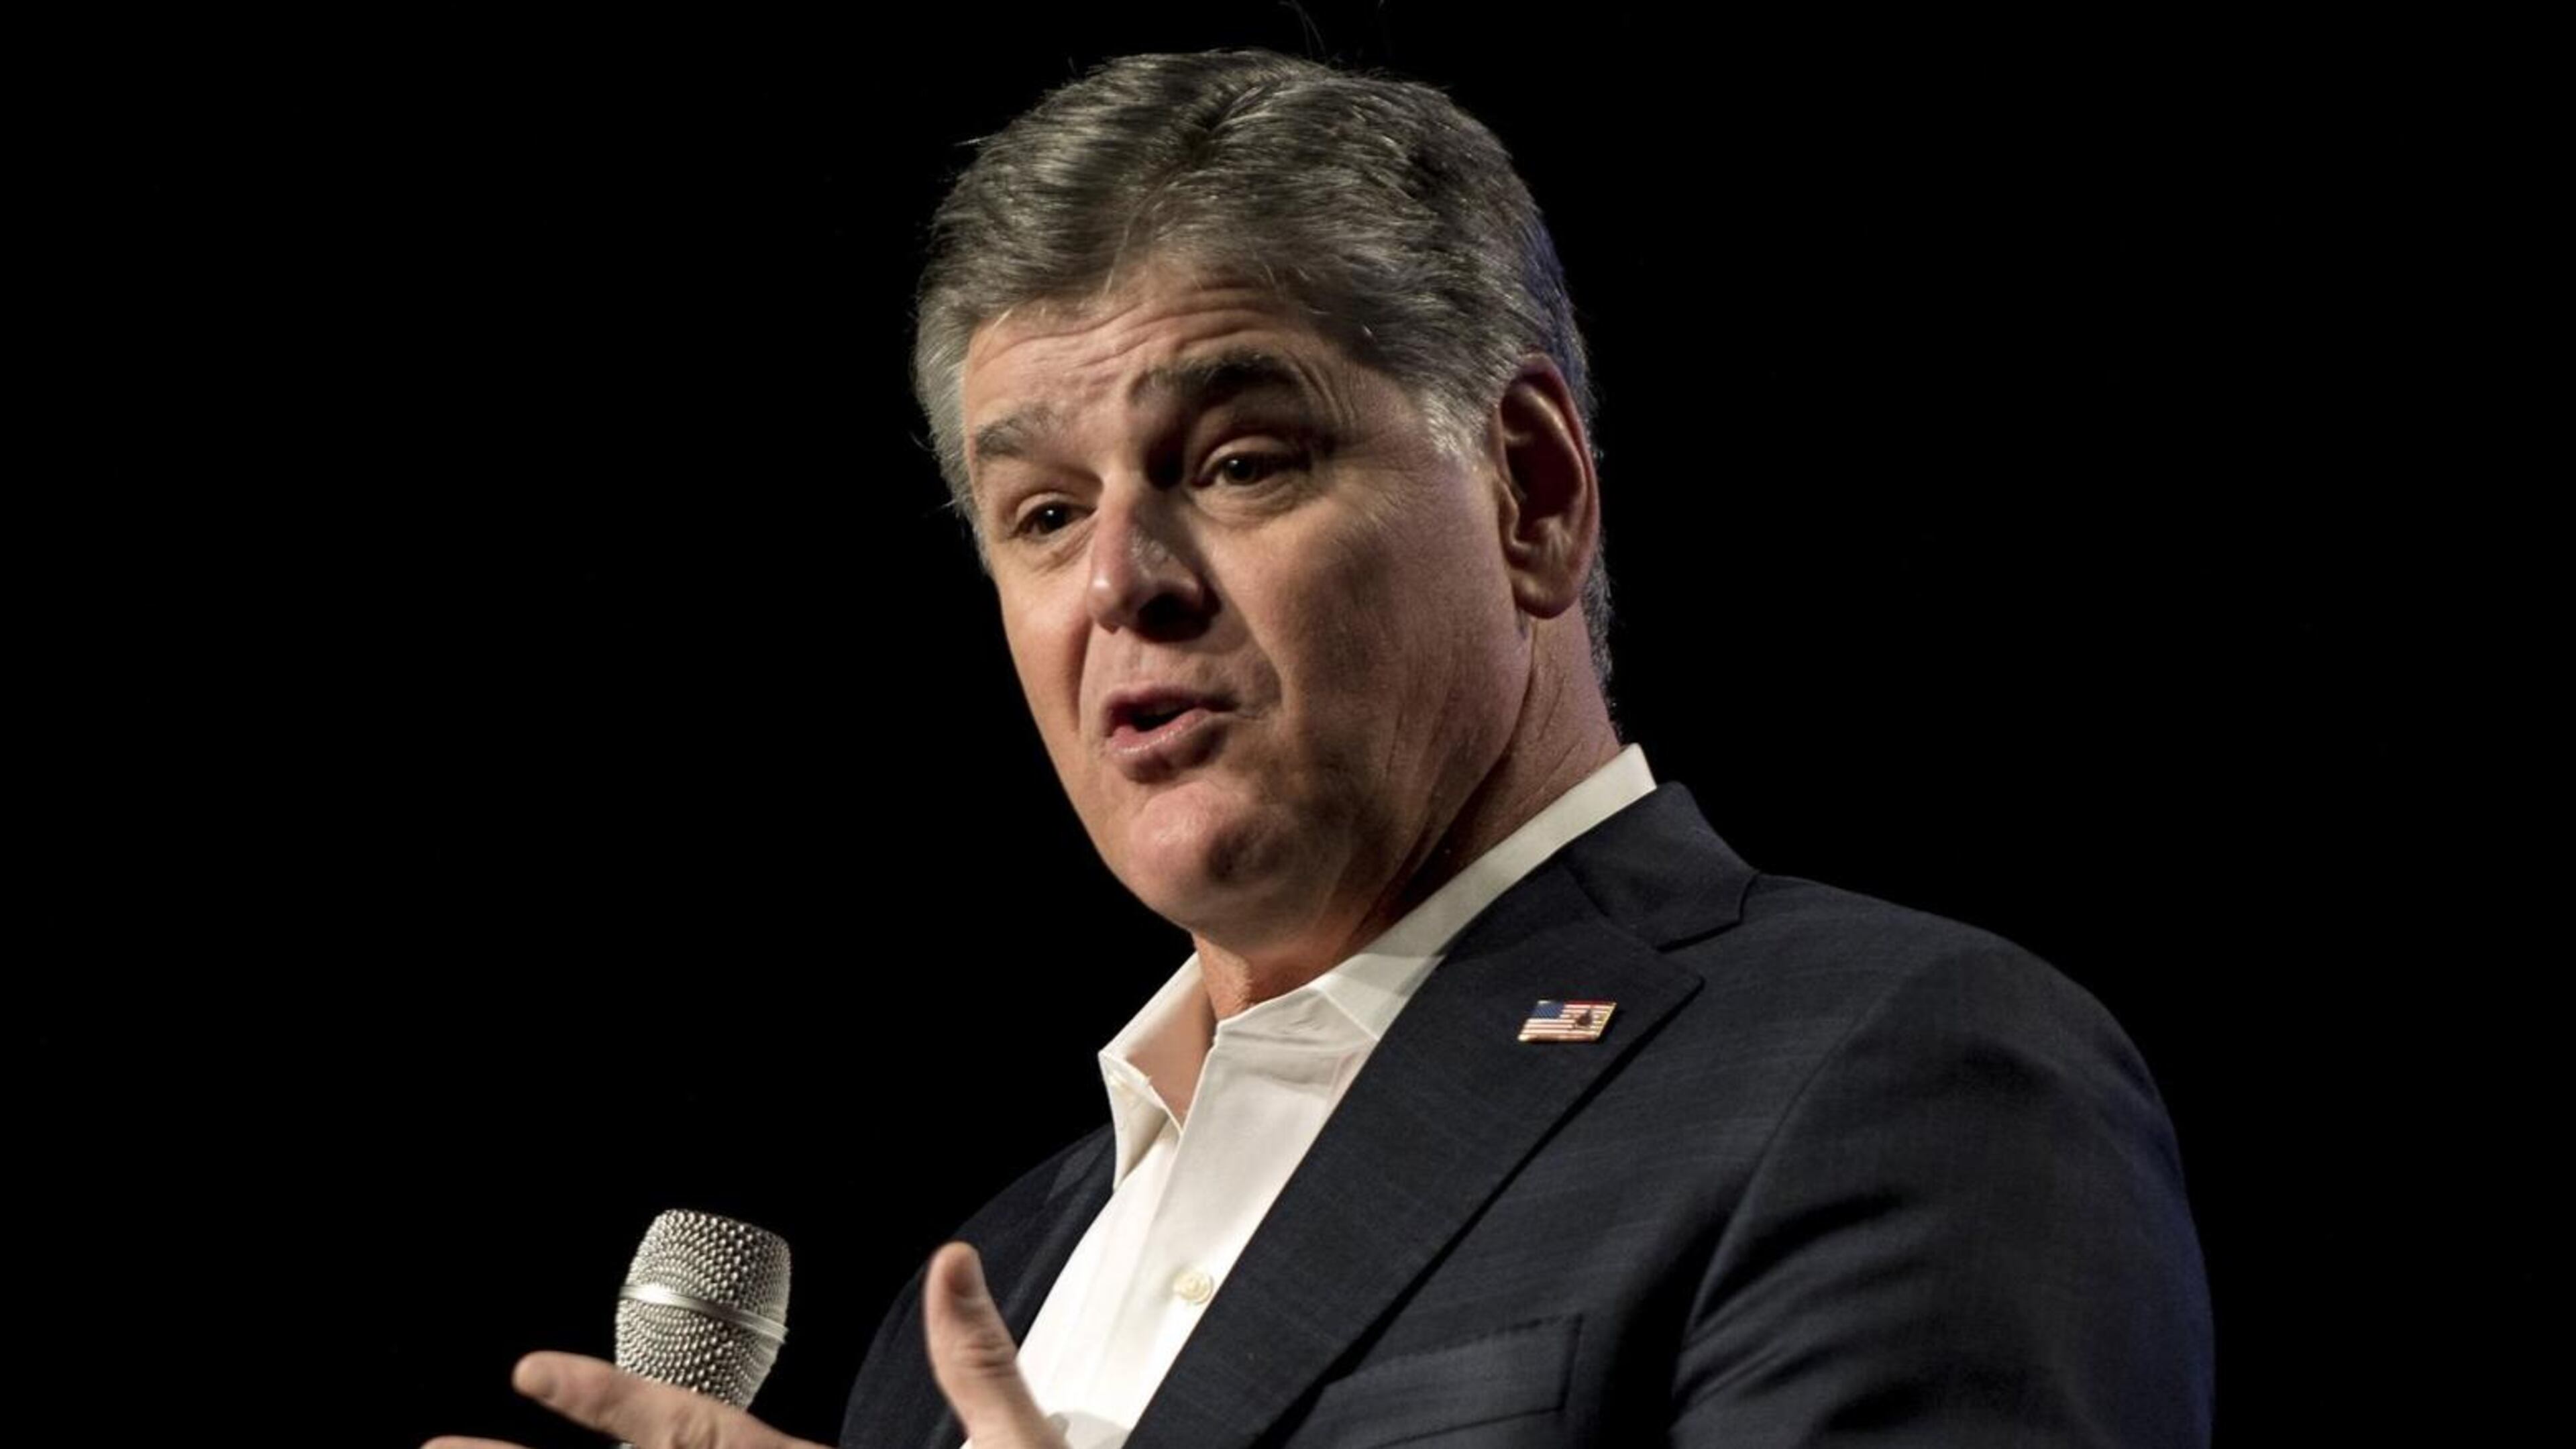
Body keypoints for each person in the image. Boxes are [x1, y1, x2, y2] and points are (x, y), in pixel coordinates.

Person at [430, 48, 2213, 1449]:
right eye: (1041, 511)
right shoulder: (989, 1287)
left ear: (1530, 490)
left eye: (1239, 463)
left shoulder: (1892, 1077)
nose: (1122, 580)